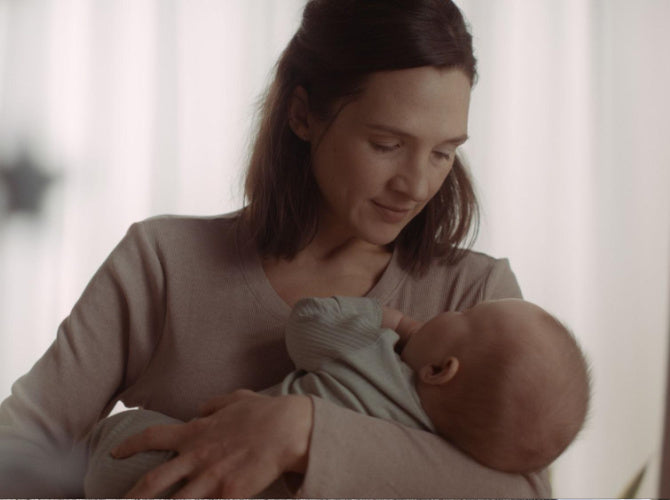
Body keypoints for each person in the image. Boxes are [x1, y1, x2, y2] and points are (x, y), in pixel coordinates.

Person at [0, 0, 553, 497]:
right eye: (387, 144)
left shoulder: (475, 298)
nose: (416, 184)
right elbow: (19, 445)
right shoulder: (164, 262)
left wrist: (303, 433)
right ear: (302, 115)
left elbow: (526, 491)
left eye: (444, 152)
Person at [83, 296, 589, 498]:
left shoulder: (374, 353)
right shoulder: (448, 451)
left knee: (125, 448)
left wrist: (388, 321)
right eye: (386, 144)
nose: (451, 310)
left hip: (198, 469)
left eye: (463, 315)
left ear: (438, 370)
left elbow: (307, 326)